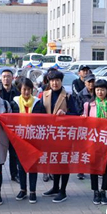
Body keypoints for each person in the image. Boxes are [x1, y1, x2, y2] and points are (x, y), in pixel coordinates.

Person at [35, 69, 78, 203]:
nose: (55, 83)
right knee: (54, 161)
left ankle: (63, 191)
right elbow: (39, 113)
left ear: (61, 81)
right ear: (49, 81)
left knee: (64, 162)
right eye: (52, 80)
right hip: (50, 135)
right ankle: (54, 187)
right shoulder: (45, 95)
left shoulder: (68, 96)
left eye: (57, 80)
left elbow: (76, 115)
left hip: (64, 135)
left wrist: (66, 115)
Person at [82, 79, 107, 205]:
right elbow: (84, 121)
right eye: (98, 89)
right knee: (94, 166)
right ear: (94, 91)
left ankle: (103, 191)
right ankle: (95, 191)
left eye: (103, 89)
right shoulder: (88, 105)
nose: (100, 92)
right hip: (93, 139)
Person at [11, 78, 40, 204]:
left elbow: (43, 122)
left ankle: (32, 191)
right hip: (19, 140)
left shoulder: (38, 103)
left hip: (34, 140)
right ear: (20, 90)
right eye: (24, 89)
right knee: (21, 165)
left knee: (33, 166)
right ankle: (23, 189)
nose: (27, 92)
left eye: (29, 89)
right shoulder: (14, 103)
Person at [0, 68, 21, 183]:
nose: (6, 78)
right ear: (1, 79)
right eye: (4, 76)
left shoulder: (17, 92)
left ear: (12, 78)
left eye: (8, 76)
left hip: (13, 127)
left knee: (14, 152)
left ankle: (14, 174)